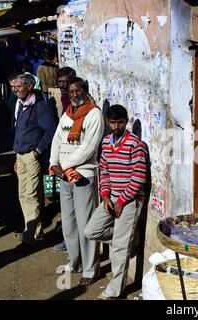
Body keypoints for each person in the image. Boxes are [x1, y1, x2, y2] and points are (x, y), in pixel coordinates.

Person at [84, 104, 149, 300]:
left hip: (130, 200)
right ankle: (131, 239)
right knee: (91, 231)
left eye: (120, 122)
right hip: (110, 198)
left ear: (126, 121)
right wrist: (105, 196)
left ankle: (114, 291)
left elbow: (139, 177)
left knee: (120, 248)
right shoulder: (105, 142)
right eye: (112, 122)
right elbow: (103, 170)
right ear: (107, 121)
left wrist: (121, 201)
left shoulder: (135, 144)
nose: (116, 126)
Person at [49, 77, 104, 286]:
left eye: (77, 91)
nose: (74, 94)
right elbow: (57, 139)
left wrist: (64, 165)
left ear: (85, 91)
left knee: (85, 224)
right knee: (70, 223)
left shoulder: (94, 114)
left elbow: (89, 148)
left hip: (83, 175)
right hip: (64, 174)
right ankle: (76, 261)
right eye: (71, 91)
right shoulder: (68, 113)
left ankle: (91, 269)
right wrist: (54, 163)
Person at [12, 73, 57, 252]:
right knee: (23, 194)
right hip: (21, 155)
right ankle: (33, 231)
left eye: (18, 87)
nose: (15, 90)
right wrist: (17, 155)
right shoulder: (21, 104)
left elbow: (50, 131)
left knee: (31, 195)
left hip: (32, 156)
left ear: (29, 87)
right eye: (14, 87)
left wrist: (37, 152)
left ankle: (30, 237)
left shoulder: (40, 107)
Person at [50, 67, 77, 253]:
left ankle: (72, 245)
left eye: (65, 82)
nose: (62, 85)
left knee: (74, 209)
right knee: (64, 206)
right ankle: (68, 241)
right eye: (59, 82)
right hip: (59, 161)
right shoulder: (64, 100)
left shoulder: (77, 105)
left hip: (72, 163)